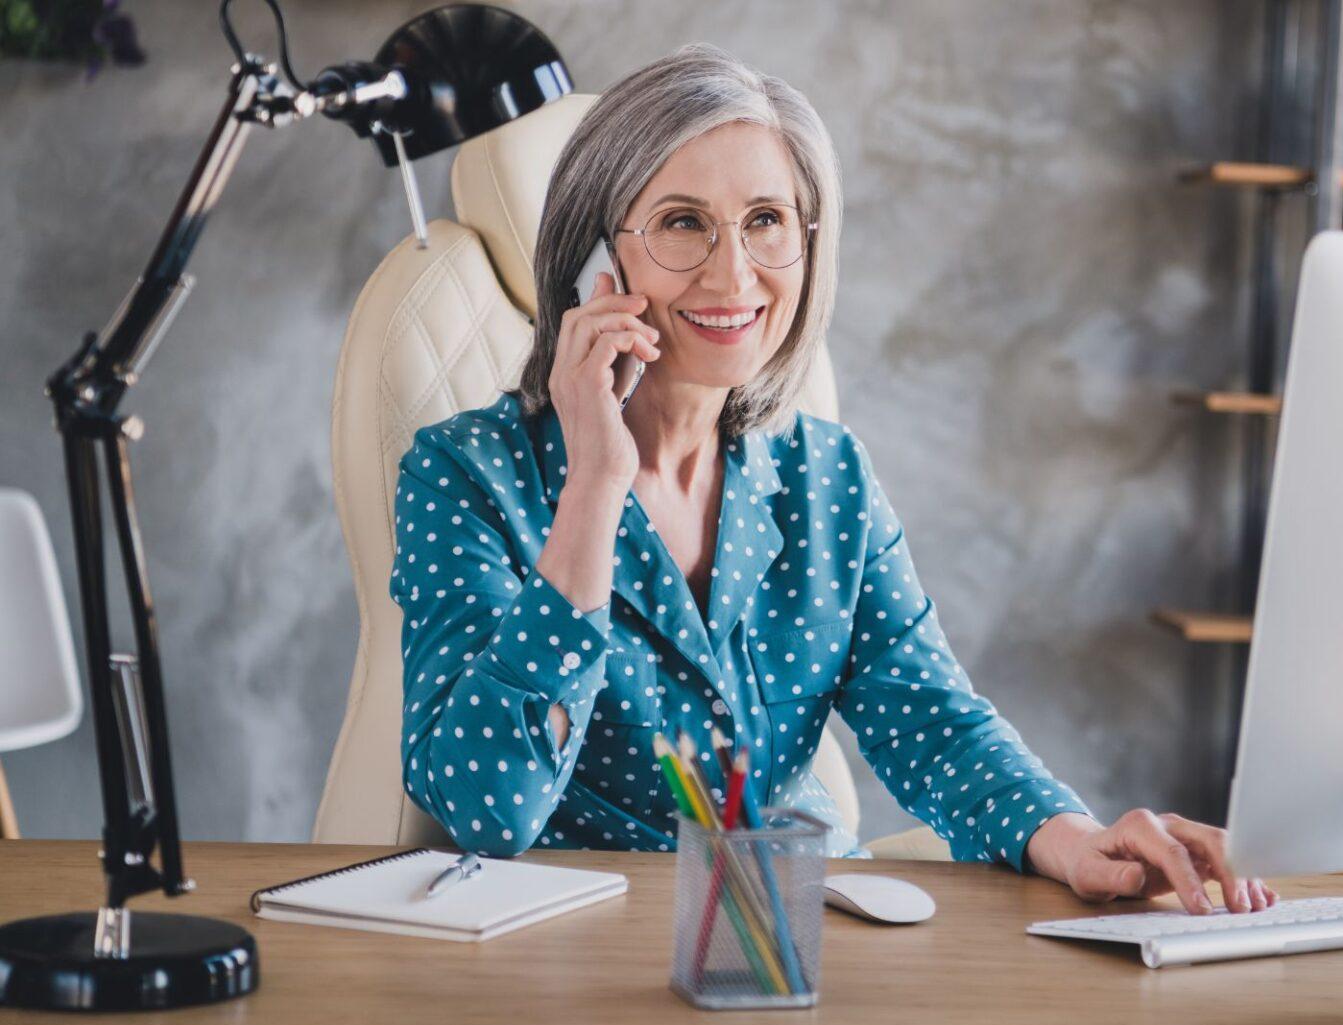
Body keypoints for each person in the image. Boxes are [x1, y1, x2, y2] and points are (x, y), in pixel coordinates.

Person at [388, 44, 1274, 916]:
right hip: (582, 950)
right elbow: (487, 808)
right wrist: (593, 484)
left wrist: (1074, 835)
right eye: (683, 222)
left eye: (767, 220)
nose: (735, 273)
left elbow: (931, 719)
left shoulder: (826, 474)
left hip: (786, 945)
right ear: (596, 263)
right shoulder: (465, 474)